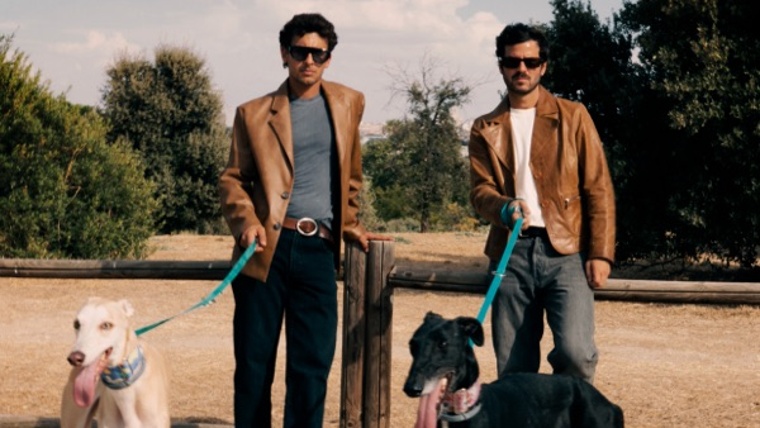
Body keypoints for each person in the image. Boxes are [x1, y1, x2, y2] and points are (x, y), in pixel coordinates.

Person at [218, 13, 390, 427]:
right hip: (265, 252)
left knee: (311, 369)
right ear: (284, 54)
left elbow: (351, 175)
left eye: (318, 53)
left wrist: (349, 223)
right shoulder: (252, 113)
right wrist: (246, 222)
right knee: (254, 366)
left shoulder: (349, 102)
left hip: (319, 251)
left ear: (329, 58)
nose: (308, 61)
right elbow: (233, 180)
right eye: (300, 52)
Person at [468, 23, 616, 384]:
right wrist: (504, 207)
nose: (522, 69)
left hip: (568, 251)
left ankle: (567, 413)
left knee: (576, 354)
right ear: (501, 66)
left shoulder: (573, 115)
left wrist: (601, 253)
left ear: (543, 66)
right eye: (513, 61)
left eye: (530, 62)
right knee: (514, 369)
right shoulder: (484, 127)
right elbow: (480, 192)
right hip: (510, 252)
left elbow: (598, 186)